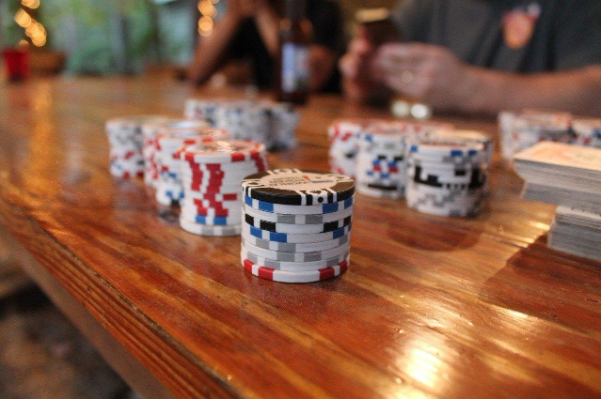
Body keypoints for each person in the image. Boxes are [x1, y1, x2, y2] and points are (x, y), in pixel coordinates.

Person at [340, 0, 601, 116]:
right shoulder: (425, 6)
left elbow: (596, 92)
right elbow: (363, 83)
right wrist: (366, 79)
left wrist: (467, 87)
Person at [187, 0, 343, 93]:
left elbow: (308, 79)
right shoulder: (247, 17)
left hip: (321, 117)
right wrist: (232, 15)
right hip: (271, 115)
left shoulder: (322, 7)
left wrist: (262, 11)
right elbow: (196, 74)